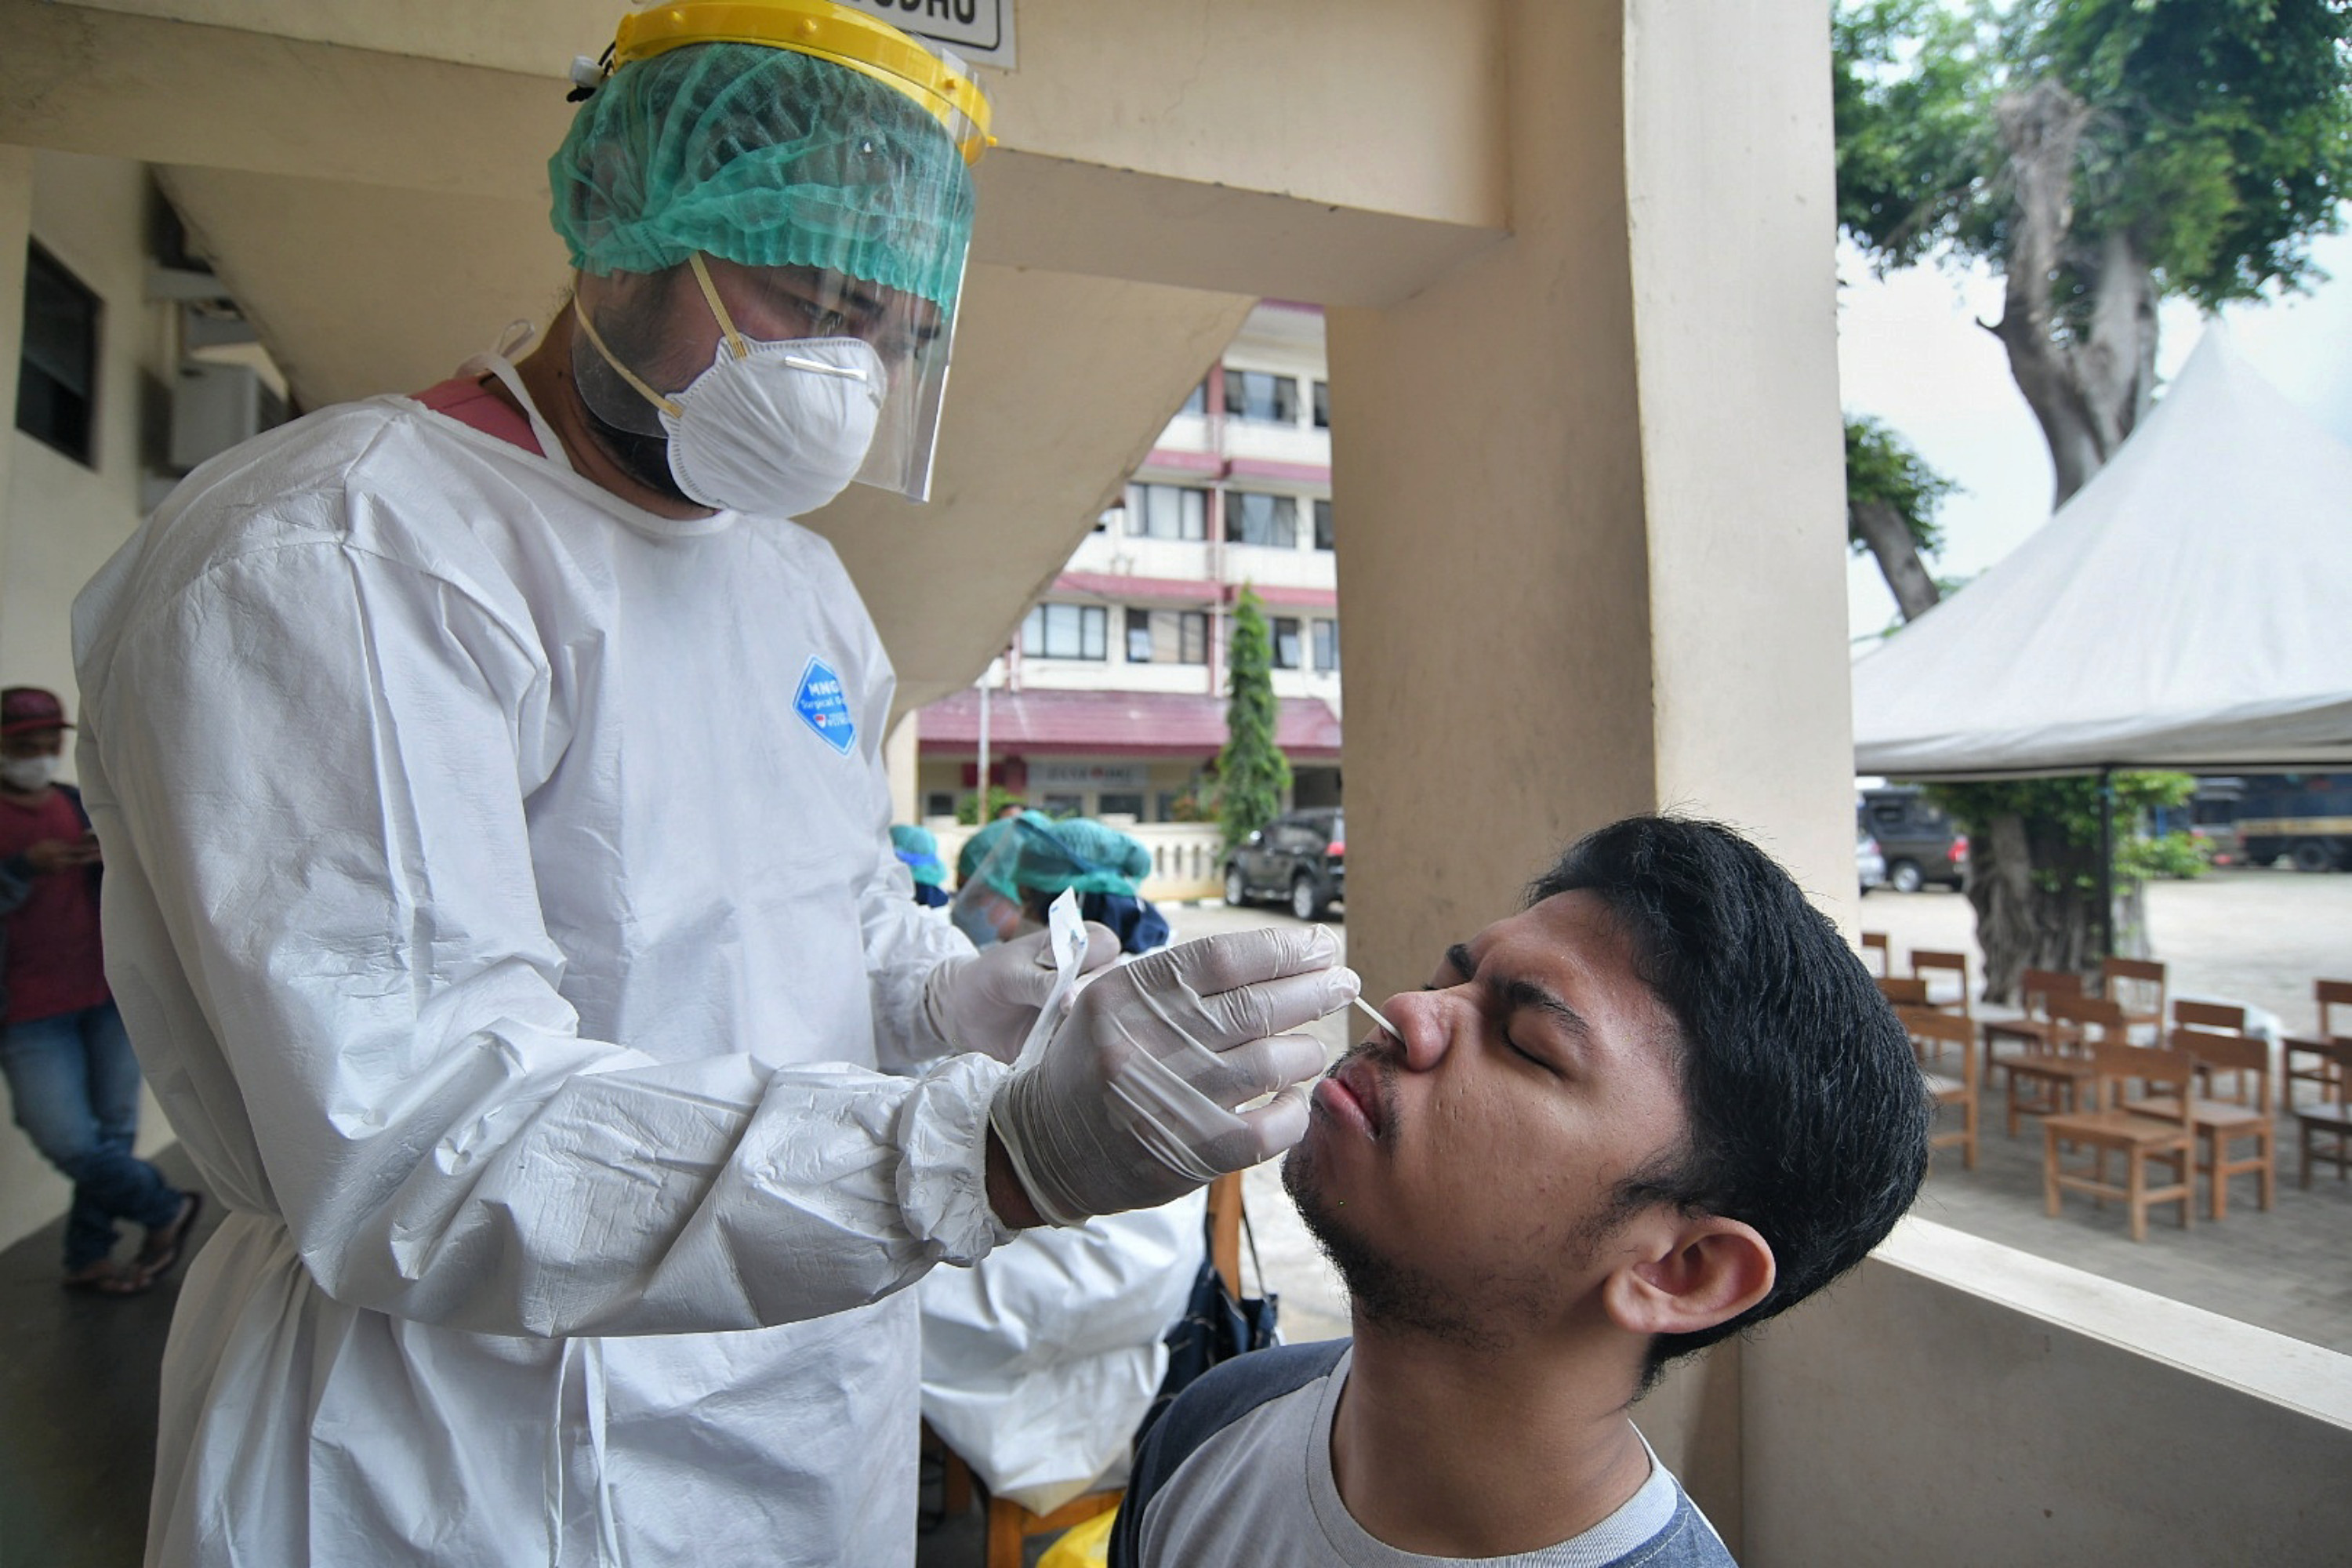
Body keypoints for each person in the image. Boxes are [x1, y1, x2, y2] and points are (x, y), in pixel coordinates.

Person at [70, 5, 1352, 1563]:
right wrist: (995, 1154)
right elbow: (419, 1142)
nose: (839, 368)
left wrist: (947, 1004)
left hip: (801, 1420)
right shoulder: (346, 551)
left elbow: (826, 924)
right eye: (795, 292)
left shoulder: (801, 589)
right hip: (452, 1464)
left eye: (885, 326)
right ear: (621, 225)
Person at [1113, 815, 1933, 1567]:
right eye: (1447, 979)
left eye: (1524, 1042)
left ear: (1683, 1268)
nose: (1410, 1012)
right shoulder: (1211, 1425)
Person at [0, 686, 200, 1297]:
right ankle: (164, 1207)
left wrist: (107, 861)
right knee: (63, 1135)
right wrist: (21, 869)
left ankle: (87, 1255)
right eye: (22, 745)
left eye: (46, 743)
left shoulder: (77, 804)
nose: (39, 755)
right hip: (28, 1011)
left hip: (106, 995)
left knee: (112, 1134)